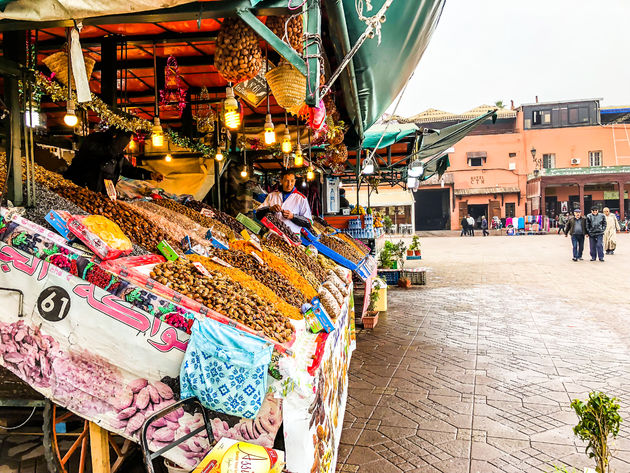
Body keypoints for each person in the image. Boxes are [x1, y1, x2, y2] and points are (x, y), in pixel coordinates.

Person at [64, 128, 163, 194]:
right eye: (127, 141)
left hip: (101, 195)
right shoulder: (96, 142)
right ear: (118, 138)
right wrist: (125, 138)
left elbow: (128, 169)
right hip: (80, 192)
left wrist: (149, 175)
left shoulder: (117, 155)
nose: (127, 146)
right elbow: (109, 151)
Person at [256, 169, 312, 233]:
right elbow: (258, 214)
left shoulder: (301, 198)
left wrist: (293, 217)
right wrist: (270, 209)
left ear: (295, 181)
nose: (289, 184)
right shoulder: (272, 195)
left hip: (292, 238)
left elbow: (308, 223)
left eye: (292, 181)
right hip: (273, 236)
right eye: (286, 181)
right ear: (281, 181)